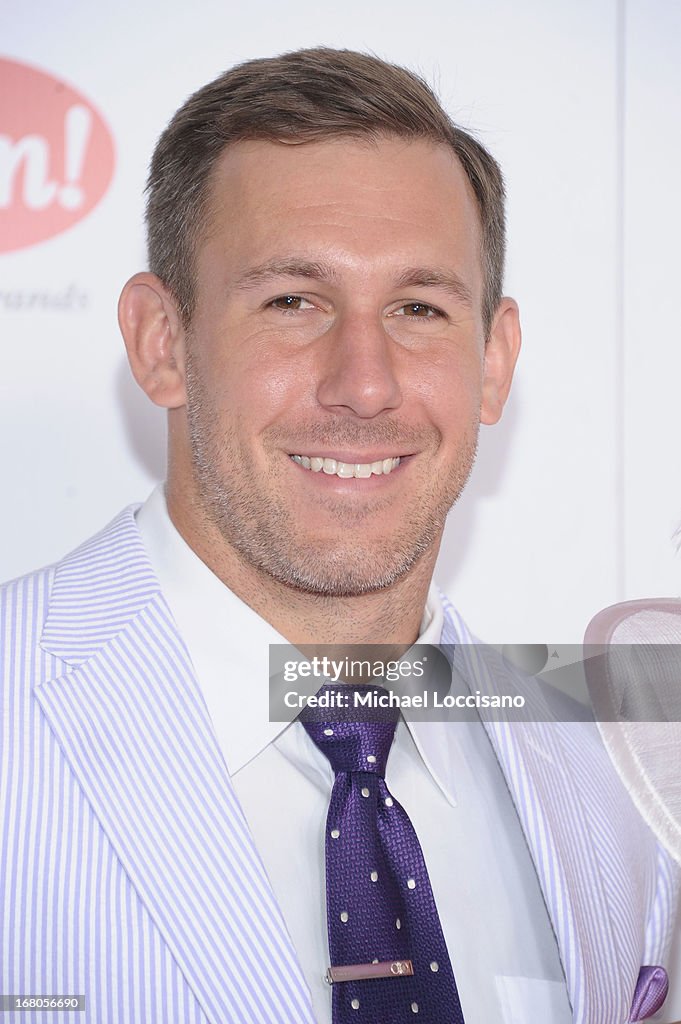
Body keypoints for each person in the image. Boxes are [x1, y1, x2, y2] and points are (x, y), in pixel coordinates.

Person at [0, 47, 677, 1024]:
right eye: (293, 301)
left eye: (417, 307)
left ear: (494, 362)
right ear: (161, 341)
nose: (364, 382)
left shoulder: (623, 778)